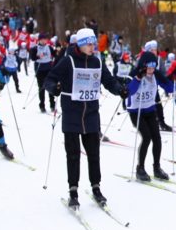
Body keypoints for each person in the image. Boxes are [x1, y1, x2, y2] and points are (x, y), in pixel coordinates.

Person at [44, 28, 127, 208]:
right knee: (73, 155)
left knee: (94, 154)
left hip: (91, 115)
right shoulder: (68, 61)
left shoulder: (97, 62)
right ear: (80, 45)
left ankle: (96, 187)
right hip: (72, 115)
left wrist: (119, 89)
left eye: (94, 44)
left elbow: (108, 80)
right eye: (89, 44)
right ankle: (73, 191)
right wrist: (54, 88)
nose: (92, 47)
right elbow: (49, 79)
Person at [125, 51, 174, 182]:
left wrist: (172, 79)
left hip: (150, 109)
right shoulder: (134, 74)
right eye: (149, 66)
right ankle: (140, 168)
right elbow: (130, 91)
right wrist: (138, 78)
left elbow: (169, 87)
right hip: (136, 111)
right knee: (146, 137)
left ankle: (157, 168)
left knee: (157, 138)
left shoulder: (155, 75)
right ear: (143, 65)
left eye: (154, 66)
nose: (151, 69)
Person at [30, 33, 58, 114]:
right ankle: (42, 105)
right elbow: (32, 57)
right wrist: (38, 57)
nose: (44, 41)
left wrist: (57, 51)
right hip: (40, 70)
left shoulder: (49, 47)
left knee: (51, 87)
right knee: (41, 88)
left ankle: (52, 105)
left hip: (49, 69)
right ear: (39, 40)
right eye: (42, 39)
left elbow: (54, 54)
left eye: (45, 39)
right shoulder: (35, 48)